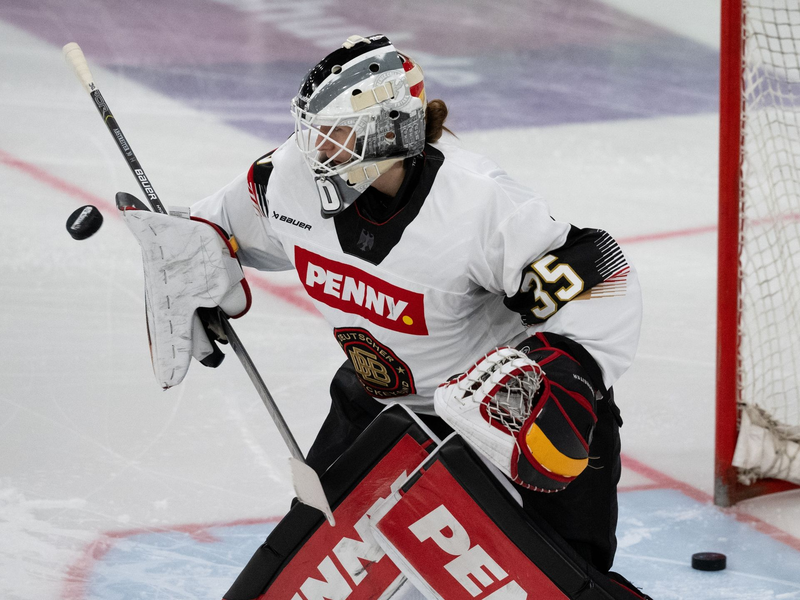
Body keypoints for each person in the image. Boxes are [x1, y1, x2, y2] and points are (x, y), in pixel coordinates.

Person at [191, 33, 643, 584]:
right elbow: (219, 225)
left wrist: (571, 374)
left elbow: (596, 273)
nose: (311, 149)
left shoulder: (477, 202)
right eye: (311, 132)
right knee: (308, 578)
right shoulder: (287, 177)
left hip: (501, 423)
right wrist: (195, 264)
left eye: (332, 134)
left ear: (385, 133)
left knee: (561, 586)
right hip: (379, 414)